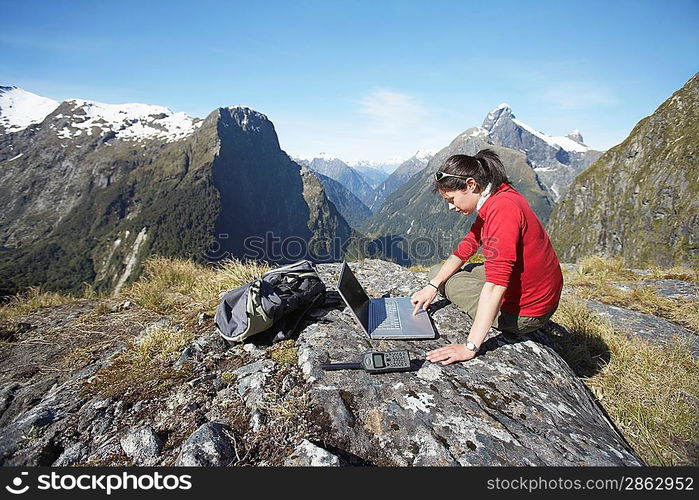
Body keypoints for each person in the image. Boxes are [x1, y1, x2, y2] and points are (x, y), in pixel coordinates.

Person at [410, 149, 563, 365]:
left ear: (471, 185)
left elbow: (495, 286)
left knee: (443, 275)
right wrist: (432, 286)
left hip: (527, 314)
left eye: (452, 198)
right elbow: (468, 245)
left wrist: (470, 347)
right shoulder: (500, 194)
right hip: (539, 293)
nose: (451, 206)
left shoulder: (501, 211)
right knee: (443, 275)